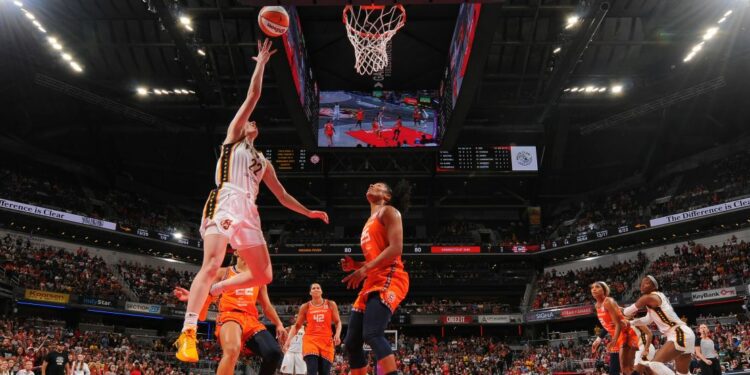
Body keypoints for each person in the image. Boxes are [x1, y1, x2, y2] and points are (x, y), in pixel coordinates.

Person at [175, 38, 329, 363]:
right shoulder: (232, 140)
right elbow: (254, 95)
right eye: (247, 121)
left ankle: (213, 292)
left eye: (252, 122)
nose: (250, 122)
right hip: (226, 197)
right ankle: (188, 331)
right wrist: (260, 62)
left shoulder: (264, 163)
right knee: (214, 262)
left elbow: (283, 195)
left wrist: (309, 211)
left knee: (264, 275)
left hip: (249, 211)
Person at [174, 254, 286, 375]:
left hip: (251, 320)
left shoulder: (257, 277)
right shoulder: (222, 273)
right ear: (236, 252)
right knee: (232, 350)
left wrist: (279, 324)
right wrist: (192, 296)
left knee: (273, 353)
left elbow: (267, 306)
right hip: (229, 316)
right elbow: (205, 292)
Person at [342, 181, 411, 375]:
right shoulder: (369, 221)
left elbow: (396, 249)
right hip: (372, 278)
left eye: (378, 185)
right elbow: (376, 257)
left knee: (372, 333)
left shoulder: (389, 211)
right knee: (352, 343)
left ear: (387, 196)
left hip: (391, 275)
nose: (371, 184)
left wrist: (363, 270)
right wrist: (356, 266)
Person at [623, 276, 696, 375]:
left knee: (655, 364)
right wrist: (631, 323)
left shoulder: (648, 297)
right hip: (684, 333)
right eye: (642, 283)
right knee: (683, 373)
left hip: (679, 333)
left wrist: (617, 310)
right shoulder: (657, 298)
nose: (643, 285)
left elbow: (627, 312)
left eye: (647, 283)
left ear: (654, 287)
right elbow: (647, 320)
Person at [285, 284, 342, 375]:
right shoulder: (305, 306)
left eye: (318, 288)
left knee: (325, 372)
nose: (316, 289)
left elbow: (338, 322)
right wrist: (288, 340)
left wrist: (337, 334)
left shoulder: (331, 304)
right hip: (310, 340)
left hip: (326, 341)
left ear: (321, 291)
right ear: (310, 292)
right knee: (312, 370)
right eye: (313, 288)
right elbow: (297, 326)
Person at [590, 281, 638, 375]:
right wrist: (598, 340)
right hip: (617, 336)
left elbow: (618, 324)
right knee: (614, 371)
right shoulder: (597, 306)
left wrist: (614, 340)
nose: (594, 289)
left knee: (626, 369)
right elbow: (607, 325)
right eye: (592, 288)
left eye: (597, 287)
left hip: (625, 334)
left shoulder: (608, 302)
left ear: (604, 290)